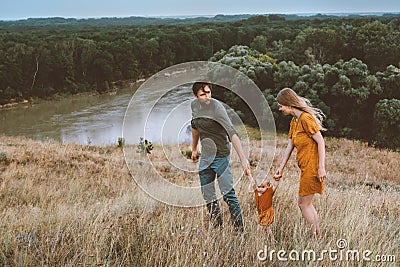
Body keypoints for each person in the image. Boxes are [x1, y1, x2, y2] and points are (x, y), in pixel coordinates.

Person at [190, 82, 251, 231]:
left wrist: (243, 159)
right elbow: (195, 127)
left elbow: (232, 133)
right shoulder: (194, 106)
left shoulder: (217, 109)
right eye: (203, 94)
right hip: (206, 156)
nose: (207, 97)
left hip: (221, 156)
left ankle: (239, 231)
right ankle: (218, 228)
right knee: (208, 195)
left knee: (228, 195)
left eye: (209, 93)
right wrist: (194, 149)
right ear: (195, 96)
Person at [274, 88, 327, 236]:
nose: (280, 109)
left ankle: (314, 238)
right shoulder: (294, 121)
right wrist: (281, 167)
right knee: (306, 204)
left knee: (304, 205)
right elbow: (290, 145)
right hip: (305, 167)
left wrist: (321, 167)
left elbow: (321, 141)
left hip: (312, 167)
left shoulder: (305, 119)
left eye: (281, 105)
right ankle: (317, 236)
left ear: (289, 105)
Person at [251, 171, 279, 241]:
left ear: (268, 186)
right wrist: (249, 174)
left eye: (263, 187)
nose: (260, 189)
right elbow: (252, 183)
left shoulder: (269, 192)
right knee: (267, 227)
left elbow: (275, 186)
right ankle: (272, 239)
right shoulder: (257, 191)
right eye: (259, 187)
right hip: (261, 213)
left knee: (260, 227)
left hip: (267, 212)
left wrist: (276, 179)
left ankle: (259, 239)